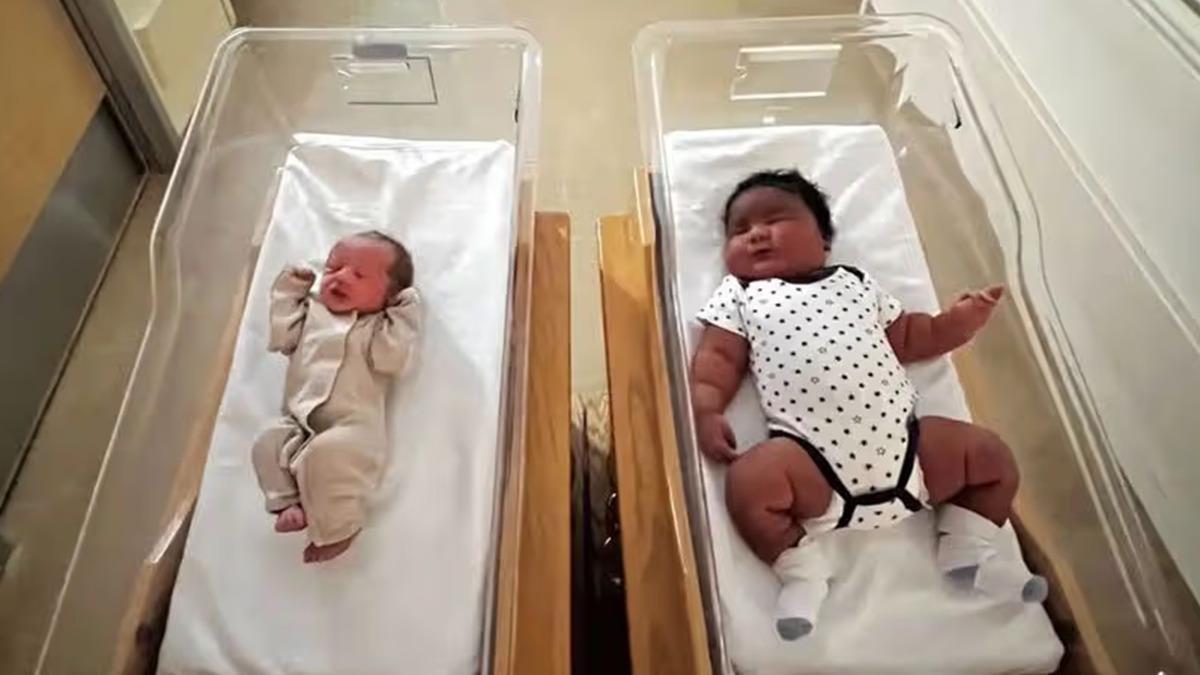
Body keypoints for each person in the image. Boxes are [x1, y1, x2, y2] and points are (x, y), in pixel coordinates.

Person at [691, 170, 1046, 639]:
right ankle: (801, 570)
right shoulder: (741, 295)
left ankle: (967, 545)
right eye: (739, 230)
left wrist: (959, 323)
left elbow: (912, 336)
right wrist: (707, 409)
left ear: (824, 240)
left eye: (774, 219)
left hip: (912, 456)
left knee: (991, 456)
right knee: (747, 484)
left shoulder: (855, 283)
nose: (755, 233)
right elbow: (717, 359)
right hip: (811, 465)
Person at [251, 230, 420, 563]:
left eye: (359, 275)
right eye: (332, 268)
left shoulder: (376, 328)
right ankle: (288, 501)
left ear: (388, 296)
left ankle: (340, 529)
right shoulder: (312, 315)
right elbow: (282, 336)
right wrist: (290, 290)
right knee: (266, 440)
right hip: (297, 422)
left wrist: (404, 313)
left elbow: (392, 359)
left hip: (352, 426)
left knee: (326, 457)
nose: (340, 277)